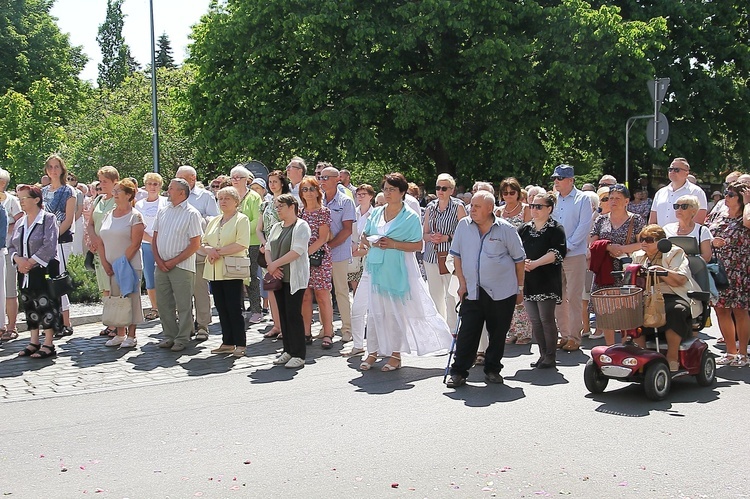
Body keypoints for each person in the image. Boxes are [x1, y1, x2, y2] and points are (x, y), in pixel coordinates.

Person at [358, 173, 452, 372]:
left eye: (392, 189)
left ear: (402, 192)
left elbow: (418, 244)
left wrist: (392, 243)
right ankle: (373, 350)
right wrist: (368, 240)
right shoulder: (377, 212)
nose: (388, 193)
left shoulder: (409, 216)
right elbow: (365, 234)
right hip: (376, 267)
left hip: (398, 268)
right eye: (385, 189)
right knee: (375, 311)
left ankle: (395, 354)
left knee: (394, 313)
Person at [446, 190, 526, 387]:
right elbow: (456, 256)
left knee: (498, 333)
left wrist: (520, 288)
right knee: (467, 332)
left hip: (502, 291)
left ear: (490, 209)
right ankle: (458, 372)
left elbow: (519, 260)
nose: (472, 209)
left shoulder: (506, 229)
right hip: (472, 290)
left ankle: (492, 369)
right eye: (471, 205)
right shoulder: (463, 226)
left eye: (477, 206)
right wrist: (462, 284)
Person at [629, 225, 703, 372]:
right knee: (631, 311)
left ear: (661, 241)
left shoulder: (674, 253)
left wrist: (662, 271)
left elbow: (680, 280)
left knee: (675, 310)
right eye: (642, 239)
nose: (644, 242)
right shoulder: (638, 255)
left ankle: (672, 356)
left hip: (675, 294)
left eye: (649, 240)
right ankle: (642, 356)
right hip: (648, 297)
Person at [588, 184, 645, 345]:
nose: (613, 201)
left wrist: (621, 249)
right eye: (610, 198)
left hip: (627, 269)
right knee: (606, 311)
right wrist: (607, 246)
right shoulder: (601, 219)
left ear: (626, 201)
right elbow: (592, 242)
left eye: (617, 198)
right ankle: (610, 347)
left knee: (627, 310)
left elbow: (643, 243)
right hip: (605, 269)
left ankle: (627, 345)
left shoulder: (636, 220)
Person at [9, 185, 61, 358]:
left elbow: (49, 245)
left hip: (42, 269)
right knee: (29, 303)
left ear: (36, 199)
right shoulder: (20, 222)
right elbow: (11, 246)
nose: (21, 202)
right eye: (19, 198)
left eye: (24, 198)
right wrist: (18, 259)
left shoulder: (48, 219)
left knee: (45, 303)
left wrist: (30, 262)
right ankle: (33, 341)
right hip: (24, 272)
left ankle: (48, 343)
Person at [153, 178, 203, 352]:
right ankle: (169, 335)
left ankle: (182, 338)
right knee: (164, 303)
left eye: (171, 188)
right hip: (160, 266)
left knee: (183, 304)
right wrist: (159, 261)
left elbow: (195, 244)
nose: (168, 190)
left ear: (182, 192)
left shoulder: (192, 213)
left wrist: (173, 261)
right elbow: (155, 238)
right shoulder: (163, 211)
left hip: (182, 267)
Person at [201, 186, 252, 357]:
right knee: (221, 307)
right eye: (220, 198)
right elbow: (203, 241)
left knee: (234, 307)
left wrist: (217, 252)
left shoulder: (241, 219)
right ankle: (227, 341)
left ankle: (240, 343)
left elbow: (242, 243)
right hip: (215, 270)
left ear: (236, 202)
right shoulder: (214, 220)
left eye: (227, 198)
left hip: (232, 269)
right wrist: (209, 249)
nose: (222, 201)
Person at [519, 192, 567, 368]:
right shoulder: (524, 229)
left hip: (547, 279)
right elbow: (516, 250)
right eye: (532, 206)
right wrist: (523, 263)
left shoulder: (556, 229)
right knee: (535, 320)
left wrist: (536, 263)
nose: (534, 209)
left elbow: (557, 253)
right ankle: (542, 353)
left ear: (550, 209)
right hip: (529, 280)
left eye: (539, 206)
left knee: (546, 318)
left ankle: (550, 355)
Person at [550, 164, 592, 351]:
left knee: (574, 298)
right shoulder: (553, 199)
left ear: (571, 180)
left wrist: (568, 246)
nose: (556, 182)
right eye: (555, 179)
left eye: (559, 178)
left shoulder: (583, 199)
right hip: (555, 255)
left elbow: (584, 226)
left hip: (574, 254)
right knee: (558, 297)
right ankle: (564, 335)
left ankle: (575, 337)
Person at [98, 179, 145, 348]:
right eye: (114, 191)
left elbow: (135, 243)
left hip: (129, 265)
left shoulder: (135, 216)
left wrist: (121, 263)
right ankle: (119, 333)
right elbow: (101, 240)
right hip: (110, 265)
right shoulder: (108, 214)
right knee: (116, 299)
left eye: (119, 191)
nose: (115, 194)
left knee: (130, 298)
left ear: (128, 195)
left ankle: (131, 335)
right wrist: (104, 261)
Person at [176, 166, 220, 340]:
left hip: (199, 250)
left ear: (192, 178)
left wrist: (197, 219)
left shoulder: (205, 196)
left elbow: (214, 220)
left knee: (200, 290)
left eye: (182, 178)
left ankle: (202, 325)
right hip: (179, 250)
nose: (178, 181)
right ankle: (186, 325)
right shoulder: (172, 198)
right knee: (181, 291)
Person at [267, 194, 311, 369]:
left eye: (280, 207)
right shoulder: (277, 226)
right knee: (283, 314)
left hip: (294, 278)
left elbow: (298, 250)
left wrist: (275, 264)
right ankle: (288, 349)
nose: (277, 210)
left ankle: (299, 354)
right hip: (278, 278)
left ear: (292, 206)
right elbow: (269, 247)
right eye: (276, 207)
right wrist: (271, 266)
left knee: (293, 315)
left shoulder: (301, 225)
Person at [708, 182, 750, 366]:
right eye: (726, 193)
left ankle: (743, 354)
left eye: (731, 194)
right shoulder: (719, 214)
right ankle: (730, 352)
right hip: (719, 269)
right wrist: (711, 242)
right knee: (720, 309)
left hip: (738, 269)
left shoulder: (745, 215)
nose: (726, 196)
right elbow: (705, 230)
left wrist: (748, 202)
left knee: (739, 311)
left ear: (741, 199)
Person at [422, 174, 467, 332]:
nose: (440, 191)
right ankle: (439, 331)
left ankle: (453, 330)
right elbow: (424, 233)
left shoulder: (458, 206)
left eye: (444, 188)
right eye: (438, 188)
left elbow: (466, 233)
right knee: (435, 295)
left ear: (451, 190)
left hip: (450, 257)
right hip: (431, 256)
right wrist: (431, 237)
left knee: (451, 295)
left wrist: (446, 237)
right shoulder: (430, 207)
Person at [318, 163, 356, 343]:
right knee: (322, 291)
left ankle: (347, 329)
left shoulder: (346, 201)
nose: (322, 181)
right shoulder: (318, 200)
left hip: (338, 253)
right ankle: (326, 328)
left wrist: (329, 245)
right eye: (320, 177)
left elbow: (347, 229)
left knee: (341, 291)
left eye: (326, 178)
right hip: (320, 254)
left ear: (337, 180)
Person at [42, 154, 77, 339]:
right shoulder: (42, 191)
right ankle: (51, 320)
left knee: (58, 280)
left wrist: (53, 239)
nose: (53, 170)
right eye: (50, 167)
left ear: (62, 169)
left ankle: (66, 322)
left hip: (60, 242)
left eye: (57, 167)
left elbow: (68, 219)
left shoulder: (68, 192)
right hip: (43, 244)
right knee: (45, 282)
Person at [299, 176, 334, 347]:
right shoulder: (300, 212)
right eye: (304, 189)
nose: (308, 193)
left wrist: (306, 254)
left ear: (317, 191)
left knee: (322, 295)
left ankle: (328, 332)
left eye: (311, 189)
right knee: (305, 296)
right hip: (301, 259)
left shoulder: (324, 212)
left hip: (319, 258)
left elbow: (323, 238)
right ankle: (306, 332)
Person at [496, 177, 532, 345]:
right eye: (505, 193)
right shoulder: (498, 212)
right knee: (504, 296)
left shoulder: (525, 210)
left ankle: (524, 332)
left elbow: (529, 235)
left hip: (519, 257)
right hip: (501, 259)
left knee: (520, 294)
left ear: (518, 193)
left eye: (512, 192)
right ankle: (511, 331)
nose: (508, 195)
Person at [87, 166, 119, 337]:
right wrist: (93, 239)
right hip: (99, 249)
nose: (102, 184)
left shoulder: (118, 199)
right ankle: (109, 322)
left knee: (114, 286)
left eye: (105, 181)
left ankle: (118, 323)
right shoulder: (98, 200)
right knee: (104, 287)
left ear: (115, 182)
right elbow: (91, 222)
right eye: (100, 181)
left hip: (113, 248)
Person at [258, 170, 290, 339]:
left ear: (282, 183)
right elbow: (258, 229)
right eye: (269, 181)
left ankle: (286, 326)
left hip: (283, 250)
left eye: (275, 181)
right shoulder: (265, 204)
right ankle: (276, 325)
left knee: (284, 288)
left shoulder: (289, 201)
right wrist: (264, 244)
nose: (272, 184)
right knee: (271, 288)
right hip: (267, 250)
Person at [135, 173, 169, 320]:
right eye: (150, 184)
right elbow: (138, 227)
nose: (152, 187)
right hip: (147, 244)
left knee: (166, 275)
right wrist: (151, 239)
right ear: (145, 186)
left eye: (156, 184)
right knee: (150, 276)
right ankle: (155, 308)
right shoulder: (139, 204)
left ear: (160, 186)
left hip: (164, 244)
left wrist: (159, 240)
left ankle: (168, 306)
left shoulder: (166, 202)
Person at [649, 158, 708, 226]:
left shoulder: (696, 192)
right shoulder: (660, 193)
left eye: (676, 170)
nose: (672, 172)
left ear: (686, 173)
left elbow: (699, 221)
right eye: (670, 169)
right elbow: (652, 221)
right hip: (662, 235)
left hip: (685, 236)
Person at [0, 168, 22, 341]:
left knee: (9, 289)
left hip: (8, 248)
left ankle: (12, 326)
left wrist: (6, 229)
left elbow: (21, 220)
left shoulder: (12, 201)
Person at [663, 195, 713, 263]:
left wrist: (684, 261)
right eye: (676, 206)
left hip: (694, 271)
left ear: (693, 211)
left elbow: (707, 257)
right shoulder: (667, 229)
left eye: (684, 206)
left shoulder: (702, 231)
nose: (679, 210)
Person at [348, 184, 375, 295]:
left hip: (368, 252)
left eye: (363, 194)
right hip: (353, 252)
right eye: (358, 194)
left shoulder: (375, 214)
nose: (360, 196)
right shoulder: (352, 212)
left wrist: (364, 250)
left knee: (368, 287)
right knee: (355, 286)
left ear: (371, 196)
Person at [67, 173, 85, 256]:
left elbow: (80, 208)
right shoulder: (63, 192)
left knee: (76, 242)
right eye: (68, 178)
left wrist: (73, 220)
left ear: (75, 182)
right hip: (66, 220)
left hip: (76, 220)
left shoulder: (79, 193)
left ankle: (77, 261)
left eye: (72, 179)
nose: (69, 181)